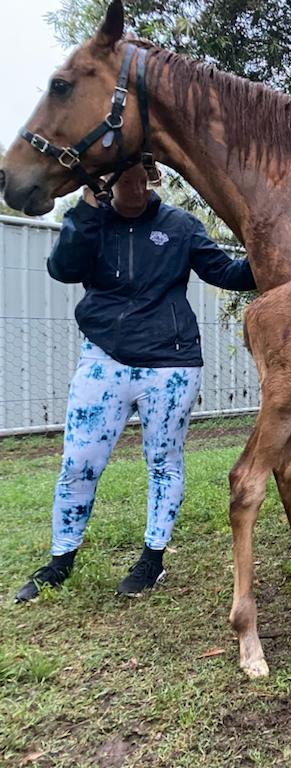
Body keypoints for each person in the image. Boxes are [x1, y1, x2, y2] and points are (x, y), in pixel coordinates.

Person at [15, 164, 257, 601]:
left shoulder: (179, 226)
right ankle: (60, 560)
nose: (136, 187)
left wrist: (269, 254)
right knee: (78, 463)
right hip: (103, 360)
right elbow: (62, 268)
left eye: (142, 178)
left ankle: (152, 558)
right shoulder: (91, 222)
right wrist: (86, 212)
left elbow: (224, 273)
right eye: (126, 179)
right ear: (106, 186)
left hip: (170, 363)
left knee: (164, 463)